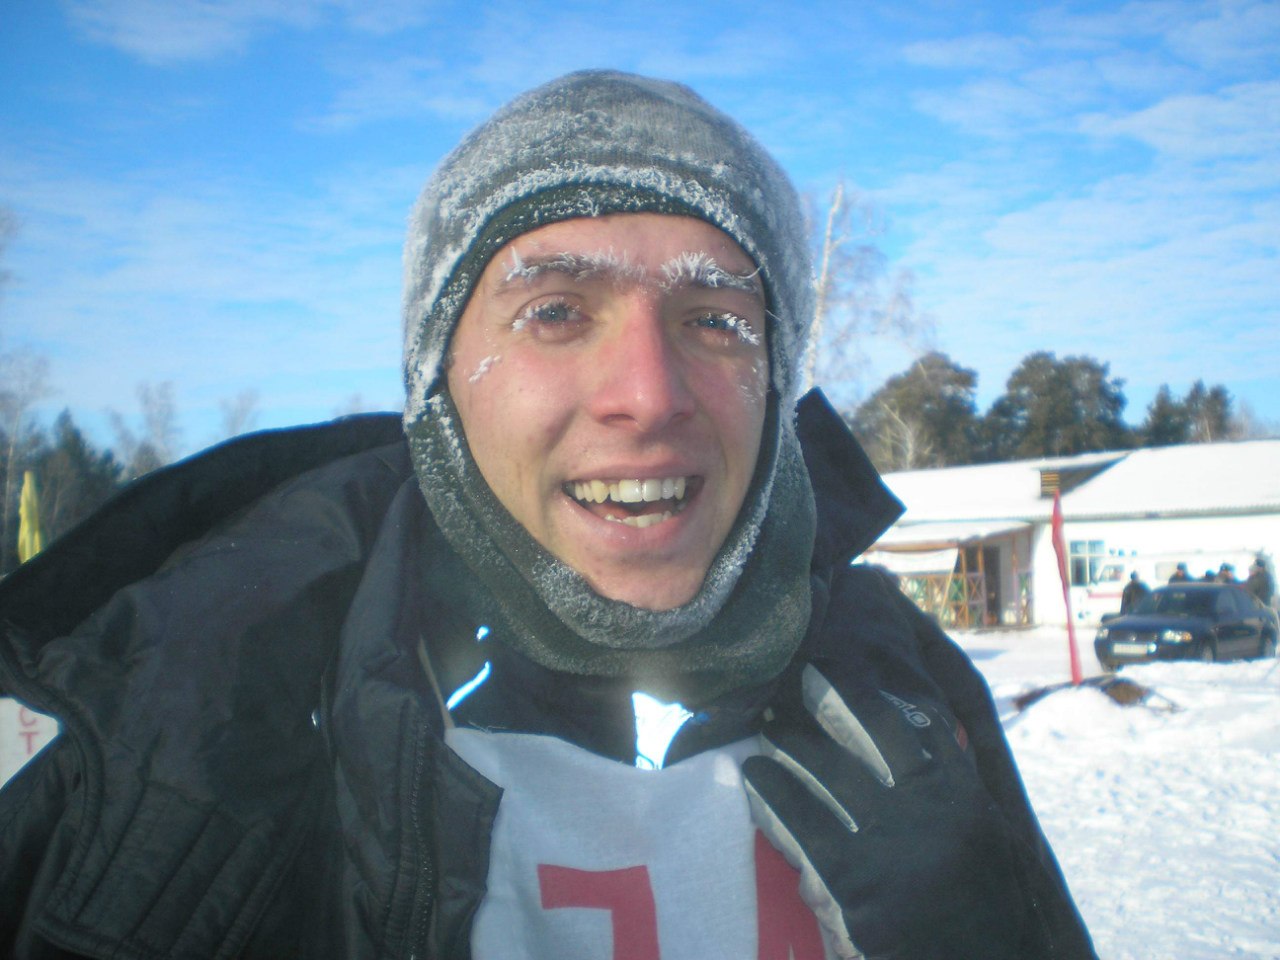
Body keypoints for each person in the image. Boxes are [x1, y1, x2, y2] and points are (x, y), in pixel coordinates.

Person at [0, 71, 1095, 959]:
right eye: (557, 311)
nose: (649, 395)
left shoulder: (899, 683)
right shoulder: (156, 716)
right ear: (438, 378)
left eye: (714, 320)